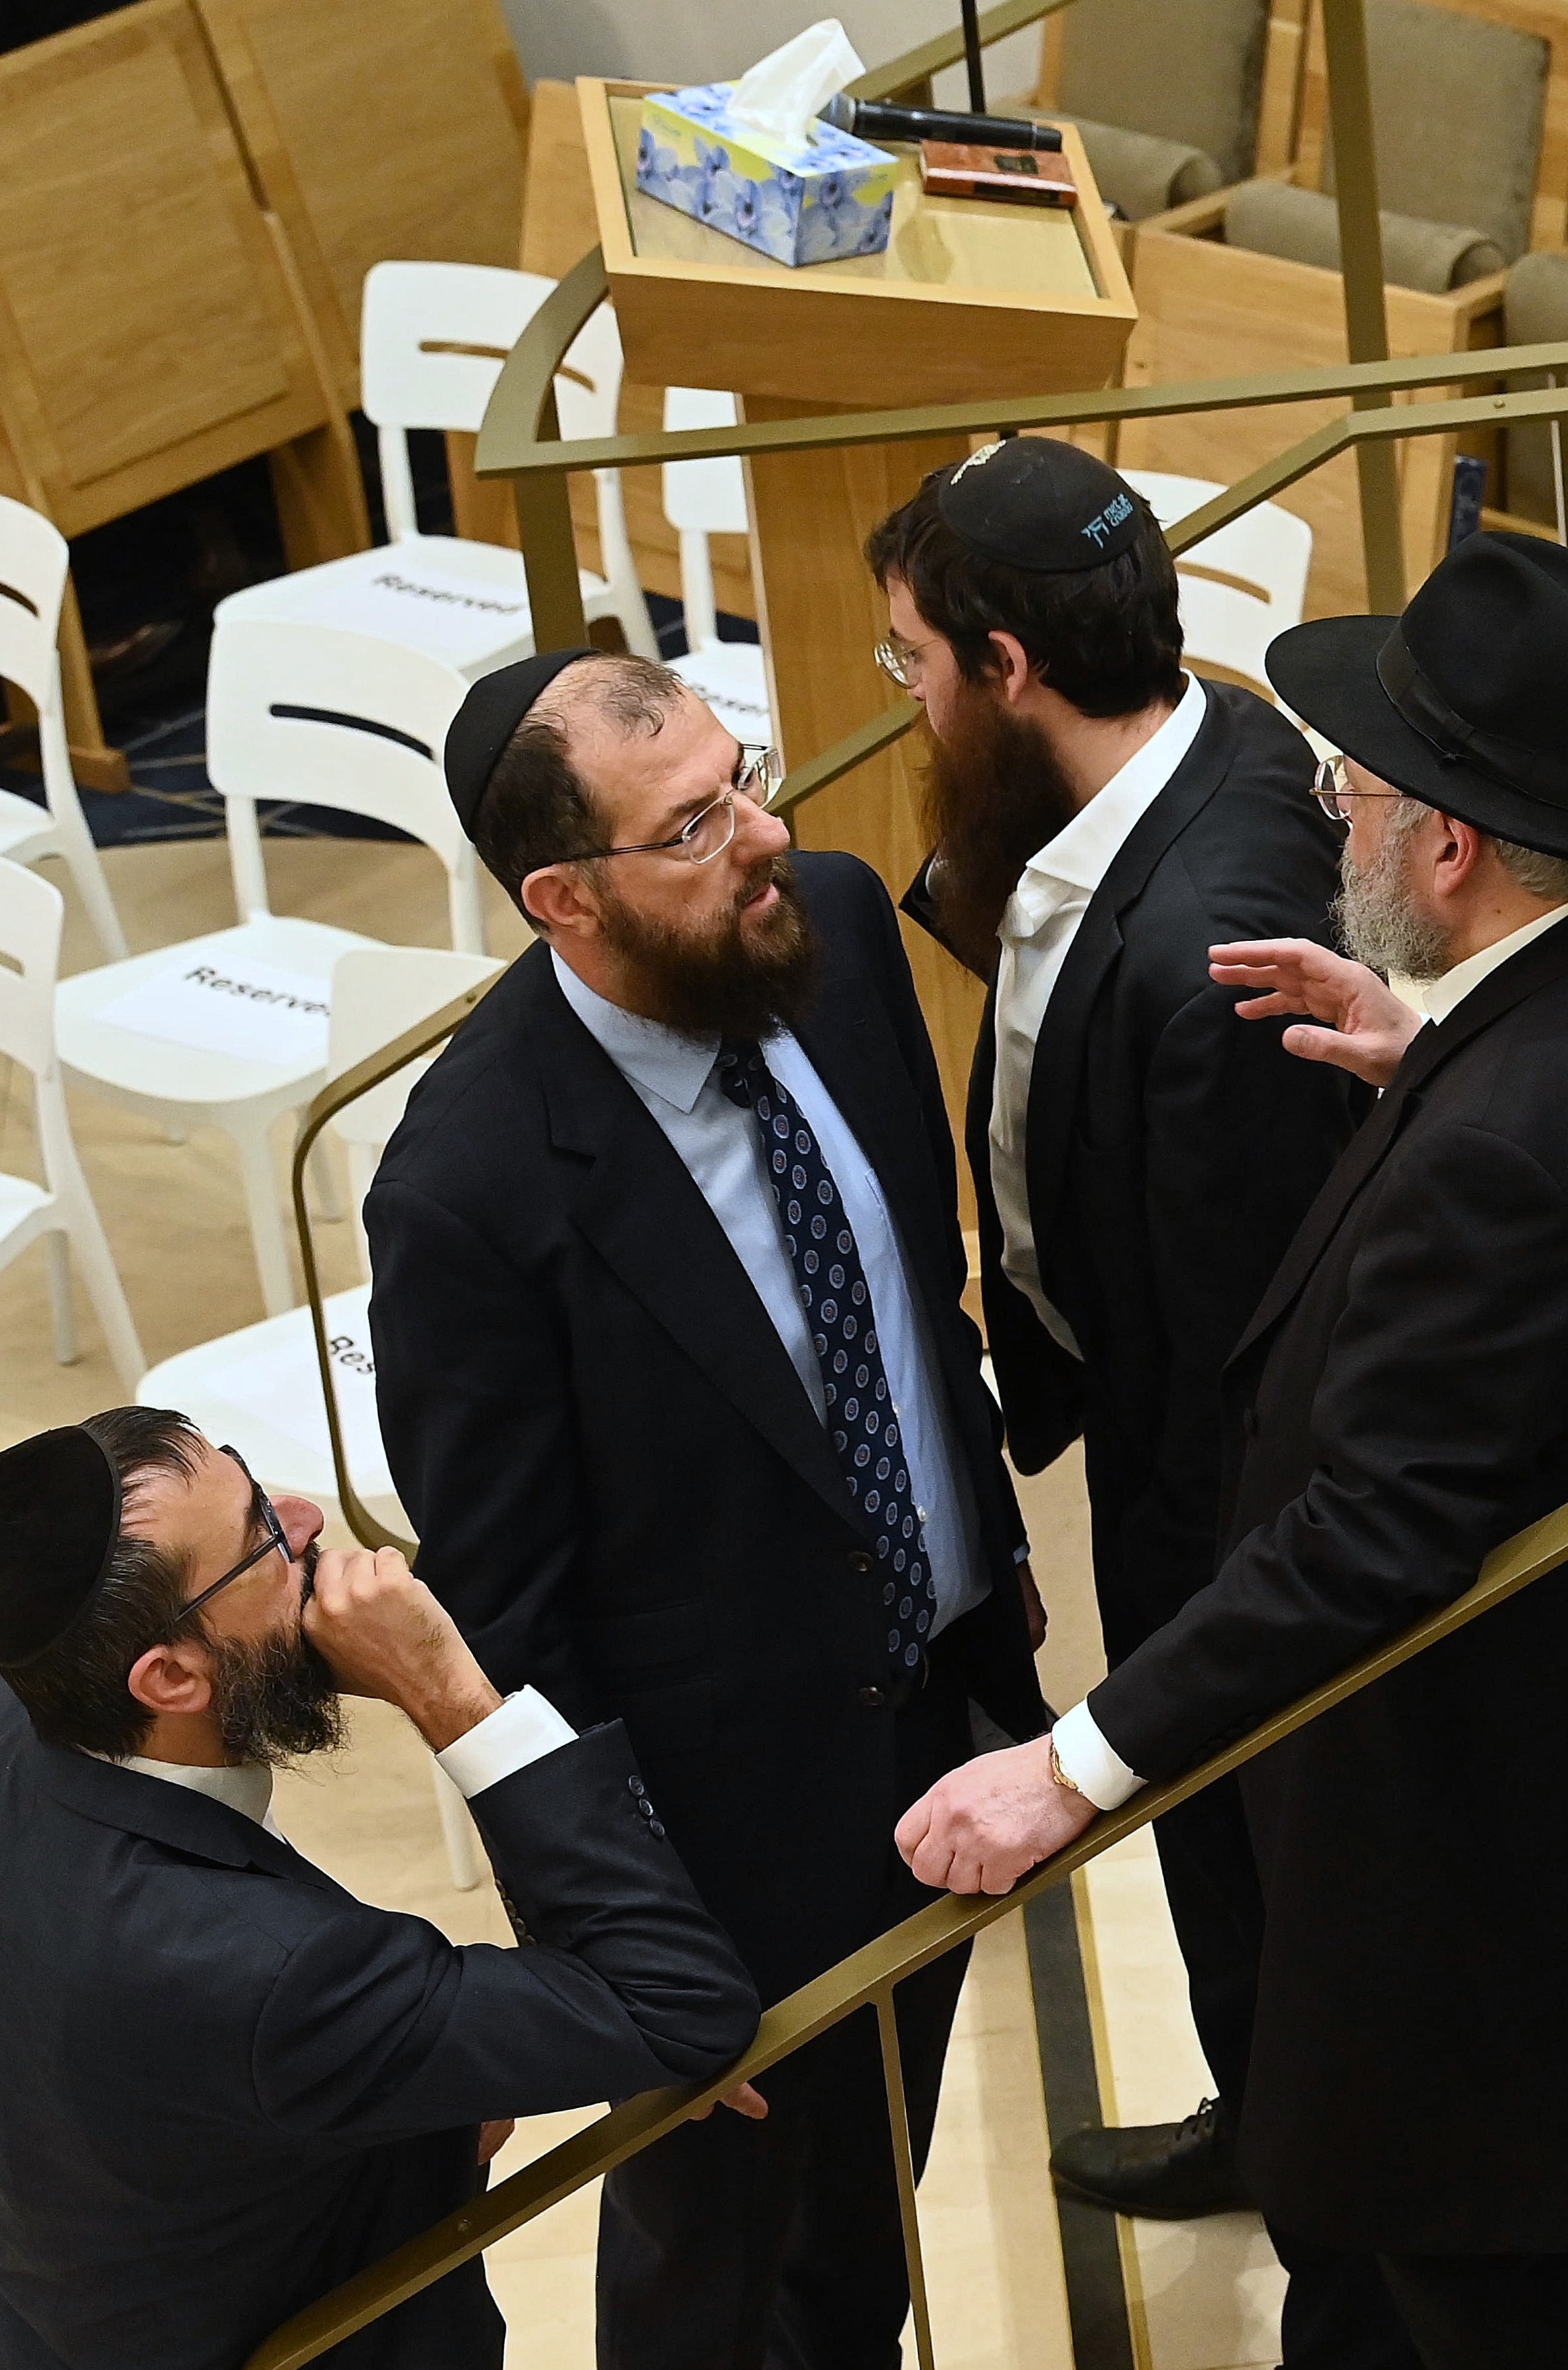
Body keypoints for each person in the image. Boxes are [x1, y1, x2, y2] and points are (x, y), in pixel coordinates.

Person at [889, 533, 1568, 2369]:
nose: (1333, 819)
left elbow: (1373, 1529)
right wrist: (1438, 1055)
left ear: (1450, 844)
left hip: (1534, 1905)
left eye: (1351, 792)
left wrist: (1073, 1764)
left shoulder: (1504, 1153)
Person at [365, 650, 1053, 2369]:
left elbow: (917, 1284)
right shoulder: (470, 1187)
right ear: (563, 897)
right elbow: (510, 1620)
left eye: (745, 777)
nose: (762, 834)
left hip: (942, 1706)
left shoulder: (832, 925)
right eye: (691, 825)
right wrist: (619, 1933)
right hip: (721, 1848)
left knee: (868, 2202)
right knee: (712, 2264)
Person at [864, 440, 1367, 2250]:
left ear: (1008, 667)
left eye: (914, 660)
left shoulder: (1204, 956)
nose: (906, 697)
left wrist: (1193, 1590)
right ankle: (1265, 2093)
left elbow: (1247, 1345)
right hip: (1140, 1409)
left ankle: (1309, 2149)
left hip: (1206, 1481)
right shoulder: (1205, 734)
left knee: (1243, 1833)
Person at [0, 1413, 758, 2370]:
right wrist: (448, 1693)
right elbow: (679, 2009)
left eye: (252, 1479)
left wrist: (423, 2097)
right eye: (262, 1534)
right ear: (171, 1677)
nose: (307, 1519)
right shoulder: (272, 1971)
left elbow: (137, 2080)